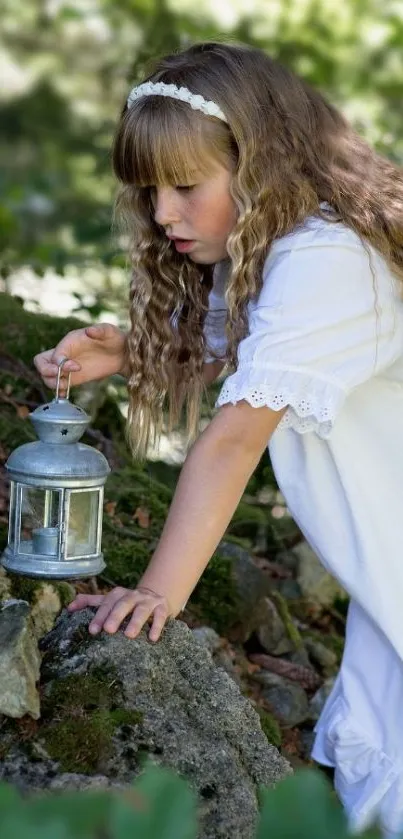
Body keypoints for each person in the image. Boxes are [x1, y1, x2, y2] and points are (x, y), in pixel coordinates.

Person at [34, 41, 403, 836]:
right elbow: (242, 342)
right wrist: (127, 348)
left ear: (260, 163)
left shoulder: (327, 259)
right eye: (150, 191)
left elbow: (233, 439)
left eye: (185, 187)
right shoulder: (292, 254)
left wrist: (158, 593)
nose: (163, 213)